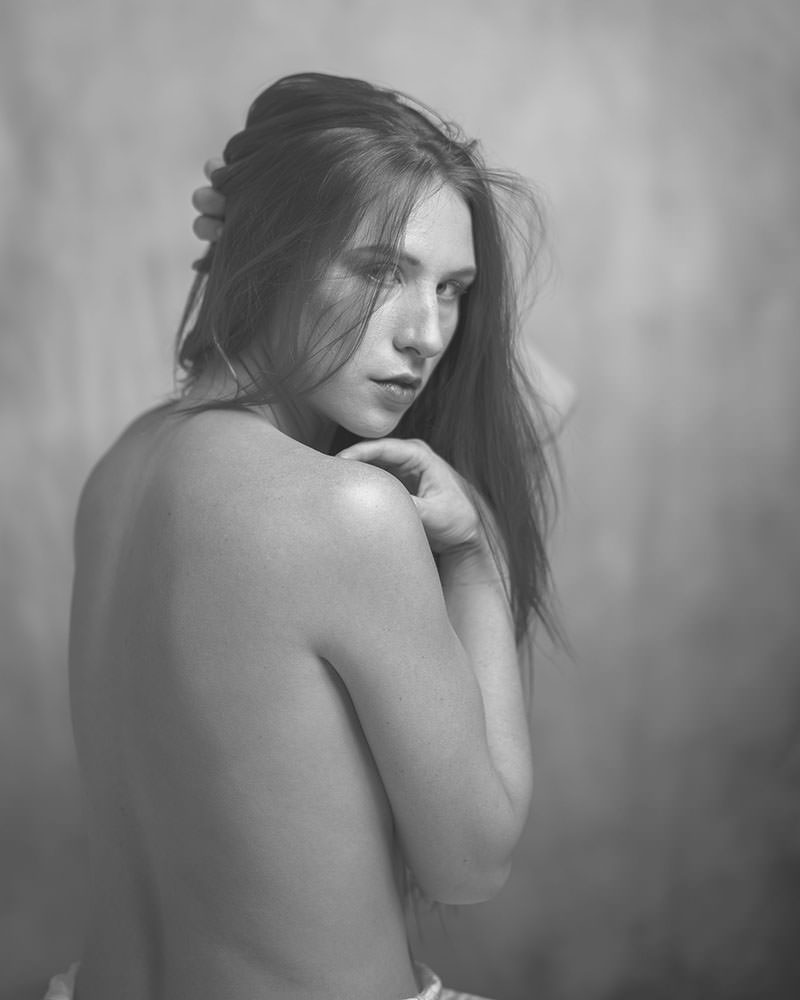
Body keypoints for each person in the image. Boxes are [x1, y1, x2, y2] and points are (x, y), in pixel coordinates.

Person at [52, 72, 560, 1000]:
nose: (428, 334)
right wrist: (475, 557)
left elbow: (517, 384)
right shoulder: (343, 514)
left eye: (452, 289)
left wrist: (280, 214)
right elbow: (472, 865)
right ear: (273, 251)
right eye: (378, 271)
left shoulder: (121, 470)